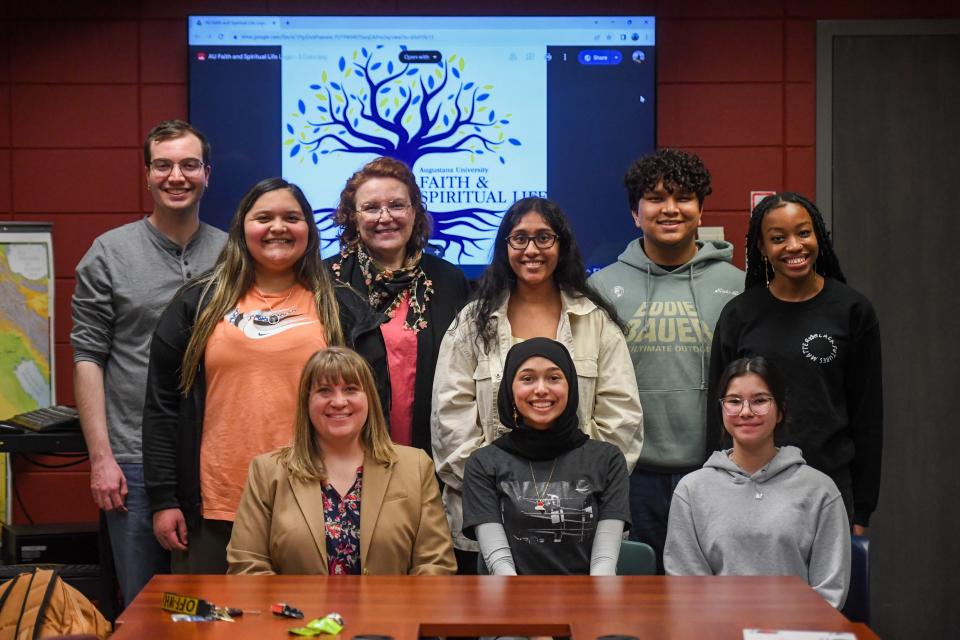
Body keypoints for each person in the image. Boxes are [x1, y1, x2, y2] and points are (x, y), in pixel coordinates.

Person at [142, 177, 387, 574]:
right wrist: (164, 500)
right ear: (242, 229)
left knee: (314, 630)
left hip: (319, 502)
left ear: (308, 228)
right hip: (215, 508)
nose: (278, 227)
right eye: (264, 218)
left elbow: (376, 411)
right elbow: (162, 408)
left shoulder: (344, 308)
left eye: (291, 217)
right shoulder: (197, 304)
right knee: (213, 631)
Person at [432, 196, 643, 572]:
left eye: (544, 237)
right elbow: (450, 422)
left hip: (579, 524)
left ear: (562, 246)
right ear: (504, 248)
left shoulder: (595, 321)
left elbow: (621, 421)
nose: (532, 249)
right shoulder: (471, 323)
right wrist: (502, 496)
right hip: (484, 518)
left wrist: (579, 495)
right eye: (520, 238)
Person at [71, 120, 226, 603]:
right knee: (146, 606)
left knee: (212, 609)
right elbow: (88, 358)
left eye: (188, 165)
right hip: (134, 460)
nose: (175, 176)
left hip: (214, 457)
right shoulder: (109, 254)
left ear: (207, 175)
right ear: (147, 175)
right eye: (163, 165)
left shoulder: (232, 253)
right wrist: (101, 459)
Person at [588, 148, 744, 574]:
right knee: (636, 603)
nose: (670, 208)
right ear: (635, 214)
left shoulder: (739, 288)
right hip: (630, 477)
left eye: (683, 197)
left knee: (708, 602)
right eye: (656, 198)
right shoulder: (600, 288)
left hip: (717, 473)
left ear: (700, 209)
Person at [708, 192, 882, 534]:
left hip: (829, 487)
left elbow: (868, 417)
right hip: (750, 487)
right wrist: (717, 488)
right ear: (761, 247)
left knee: (824, 589)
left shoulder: (852, 311)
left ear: (819, 235)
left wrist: (861, 511)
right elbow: (719, 414)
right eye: (778, 238)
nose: (794, 246)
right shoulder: (740, 314)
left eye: (803, 233)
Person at [227, 347, 456, 575]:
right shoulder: (268, 472)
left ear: (370, 399)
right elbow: (247, 566)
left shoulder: (415, 467)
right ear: (307, 402)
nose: (338, 401)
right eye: (324, 391)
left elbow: (435, 565)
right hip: (299, 611)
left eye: (350, 389)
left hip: (390, 612)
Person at [665, 357, 851, 608]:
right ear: (721, 410)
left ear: (780, 411)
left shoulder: (820, 490)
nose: (745, 411)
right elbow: (686, 587)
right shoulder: (691, 491)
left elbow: (830, 591)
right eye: (733, 401)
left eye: (760, 401)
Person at [328, 157, 470, 454]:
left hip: (433, 457)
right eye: (370, 208)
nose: (385, 217)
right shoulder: (328, 282)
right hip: (347, 454)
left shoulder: (449, 281)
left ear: (414, 212)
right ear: (352, 217)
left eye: (396, 205)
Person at [462, 338, 630, 576]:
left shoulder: (607, 460)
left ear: (570, 386)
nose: (541, 389)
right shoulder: (483, 464)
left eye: (553, 378)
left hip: (589, 600)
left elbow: (604, 564)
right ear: (510, 389)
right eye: (527, 379)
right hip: (513, 600)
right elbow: (500, 567)